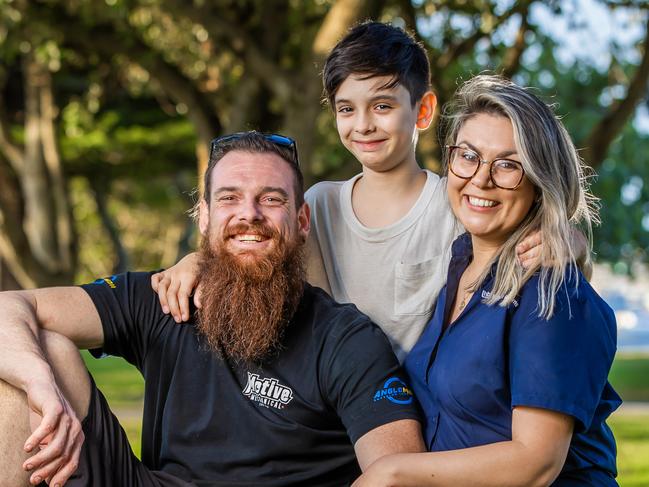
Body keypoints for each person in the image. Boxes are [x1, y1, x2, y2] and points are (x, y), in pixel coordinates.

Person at [0, 132, 424, 487]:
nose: (249, 214)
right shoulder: (164, 297)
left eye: (271, 199)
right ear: (204, 217)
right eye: (229, 198)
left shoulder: (345, 339)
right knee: (37, 353)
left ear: (301, 220)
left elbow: (399, 473)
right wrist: (37, 380)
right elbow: (12, 306)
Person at [151, 21, 548, 362]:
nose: (363, 125)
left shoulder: (457, 204)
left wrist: (567, 242)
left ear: (423, 111)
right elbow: (253, 252)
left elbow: (537, 245)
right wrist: (195, 261)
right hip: (341, 404)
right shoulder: (320, 205)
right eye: (346, 109)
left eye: (382, 107)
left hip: (426, 408)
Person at [351, 75, 621, 486]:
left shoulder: (551, 290)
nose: (481, 179)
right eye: (468, 156)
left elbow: (537, 463)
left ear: (539, 181)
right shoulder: (457, 268)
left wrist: (394, 472)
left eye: (508, 165)